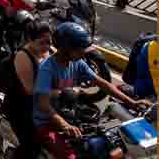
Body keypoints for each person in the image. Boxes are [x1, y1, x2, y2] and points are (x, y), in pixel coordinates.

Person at [33, 23, 151, 159]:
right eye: (80, 49)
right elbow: (43, 105)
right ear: (66, 49)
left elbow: (102, 83)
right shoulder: (46, 69)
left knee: (108, 145)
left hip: (69, 113)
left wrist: (131, 103)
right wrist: (64, 125)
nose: (84, 52)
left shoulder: (77, 62)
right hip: (47, 123)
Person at [2, 22, 52, 159]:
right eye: (42, 42)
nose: (47, 46)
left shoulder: (46, 52)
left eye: (49, 42)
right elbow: (30, 90)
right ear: (30, 41)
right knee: (31, 145)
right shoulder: (23, 56)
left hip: (40, 102)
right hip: (20, 106)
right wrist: (55, 91)